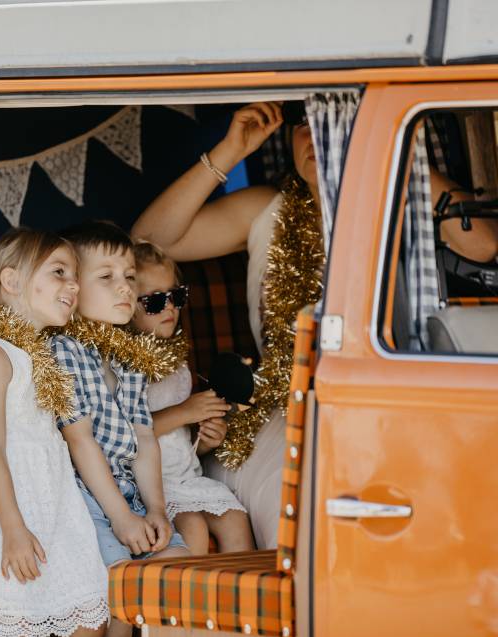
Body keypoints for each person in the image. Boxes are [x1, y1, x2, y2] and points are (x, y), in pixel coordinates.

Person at [132, 101, 498, 549]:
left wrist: (396, 150)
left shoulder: (394, 199)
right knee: (304, 494)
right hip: (291, 401)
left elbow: (483, 243)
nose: (315, 136)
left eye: (332, 123)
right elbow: (147, 242)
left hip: (394, 394)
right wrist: (230, 150)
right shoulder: (267, 207)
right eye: (304, 122)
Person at [0, 228, 109, 637]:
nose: (74, 284)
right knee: (24, 622)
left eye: (76, 275)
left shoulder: (40, 355)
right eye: (60, 272)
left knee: (90, 618)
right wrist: (13, 529)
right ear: (11, 282)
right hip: (4, 506)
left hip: (54, 498)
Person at [50, 221, 189, 637]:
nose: (125, 288)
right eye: (107, 277)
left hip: (125, 490)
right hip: (84, 496)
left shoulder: (127, 356)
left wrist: (157, 510)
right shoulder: (64, 350)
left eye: (129, 277)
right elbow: (80, 440)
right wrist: (122, 517)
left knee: (176, 574)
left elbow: (144, 438)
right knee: (116, 599)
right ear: (73, 291)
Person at [130, 240, 253, 555]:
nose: (170, 307)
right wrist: (184, 412)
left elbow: (178, 443)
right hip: (150, 487)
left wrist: (205, 441)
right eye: (156, 301)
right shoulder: (127, 366)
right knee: (193, 528)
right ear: (126, 305)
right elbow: (127, 433)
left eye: (177, 296)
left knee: (236, 518)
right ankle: (193, 602)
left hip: (188, 477)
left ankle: (240, 599)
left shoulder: (178, 364)